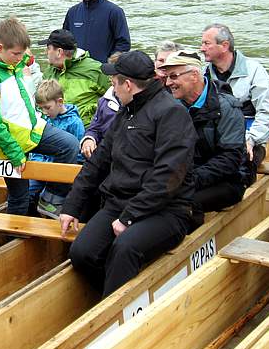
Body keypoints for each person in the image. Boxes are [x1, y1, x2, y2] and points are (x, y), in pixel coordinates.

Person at [60, 50, 198, 297]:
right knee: (82, 253)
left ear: (128, 85)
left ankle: (115, 312)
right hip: (119, 203)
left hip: (166, 210)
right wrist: (72, 205)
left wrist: (129, 218)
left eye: (114, 83)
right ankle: (109, 297)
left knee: (124, 249)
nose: (112, 89)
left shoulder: (172, 114)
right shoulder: (126, 113)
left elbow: (167, 177)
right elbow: (97, 163)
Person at [0, 18, 80, 216]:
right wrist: (14, 153)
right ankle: (14, 228)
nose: (20, 57)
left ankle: (50, 199)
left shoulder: (13, 64)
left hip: (34, 130)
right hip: (9, 146)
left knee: (70, 145)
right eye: (16, 54)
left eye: (23, 53)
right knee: (19, 197)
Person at [161, 50, 247, 213]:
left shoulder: (227, 107)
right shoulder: (170, 106)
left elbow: (230, 159)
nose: (168, 83)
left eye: (173, 76)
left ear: (194, 75)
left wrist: (188, 180)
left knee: (178, 205)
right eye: (166, 77)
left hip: (226, 181)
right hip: (184, 176)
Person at [201, 23, 269, 178]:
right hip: (216, 140)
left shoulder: (254, 70)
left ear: (224, 46)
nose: (201, 48)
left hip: (250, 140)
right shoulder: (202, 75)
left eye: (206, 43)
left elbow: (268, 113)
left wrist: (250, 140)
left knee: (240, 166)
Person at [30, 79, 85, 217]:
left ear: (60, 102)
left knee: (53, 197)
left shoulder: (74, 123)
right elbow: (36, 145)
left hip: (60, 173)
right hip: (40, 169)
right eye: (40, 108)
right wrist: (38, 164)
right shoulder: (43, 120)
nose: (44, 112)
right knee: (27, 192)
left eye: (47, 107)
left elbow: (78, 154)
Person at [40, 29, 110, 127]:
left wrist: (94, 112)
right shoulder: (48, 72)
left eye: (48, 48)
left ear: (59, 52)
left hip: (88, 129)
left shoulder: (96, 70)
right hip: (55, 130)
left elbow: (116, 97)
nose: (45, 52)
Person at [62, 0, 130, 63]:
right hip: (76, 69)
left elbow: (123, 45)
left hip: (102, 70)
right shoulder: (72, 12)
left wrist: (109, 64)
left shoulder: (114, 12)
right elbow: (64, 42)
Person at [81, 52, 122, 159]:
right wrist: (89, 139)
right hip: (104, 155)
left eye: (113, 75)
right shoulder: (104, 101)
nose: (110, 79)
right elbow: (94, 128)